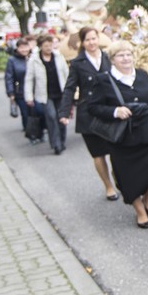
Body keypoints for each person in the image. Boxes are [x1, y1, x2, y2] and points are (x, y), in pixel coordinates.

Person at [87, 40, 148, 228]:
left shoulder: (142, 75)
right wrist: (115, 111)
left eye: (128, 54)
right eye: (120, 55)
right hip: (122, 140)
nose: (126, 58)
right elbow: (92, 107)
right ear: (113, 60)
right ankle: (139, 209)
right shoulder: (103, 80)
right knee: (128, 178)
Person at [58, 27, 118, 201]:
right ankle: (108, 186)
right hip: (89, 114)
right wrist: (64, 111)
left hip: (110, 111)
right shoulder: (78, 63)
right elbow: (70, 88)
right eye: (88, 40)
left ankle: (120, 180)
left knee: (116, 150)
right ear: (82, 43)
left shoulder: (109, 57)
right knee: (98, 153)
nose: (92, 43)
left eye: (94, 38)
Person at [24, 34, 69, 154]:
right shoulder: (34, 60)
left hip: (60, 92)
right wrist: (29, 96)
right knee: (51, 117)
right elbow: (29, 79)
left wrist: (71, 91)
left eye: (50, 45)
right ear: (40, 47)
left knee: (62, 118)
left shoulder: (58, 57)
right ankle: (56, 144)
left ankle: (62, 141)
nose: (49, 48)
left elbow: (66, 73)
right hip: (45, 95)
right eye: (46, 46)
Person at [4, 38, 31, 132]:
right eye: (21, 47)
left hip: (34, 90)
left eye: (26, 47)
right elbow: (9, 77)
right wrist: (11, 93)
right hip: (20, 91)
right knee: (25, 113)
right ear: (17, 48)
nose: (24, 50)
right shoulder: (12, 60)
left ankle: (38, 130)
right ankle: (29, 131)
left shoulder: (32, 58)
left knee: (37, 111)